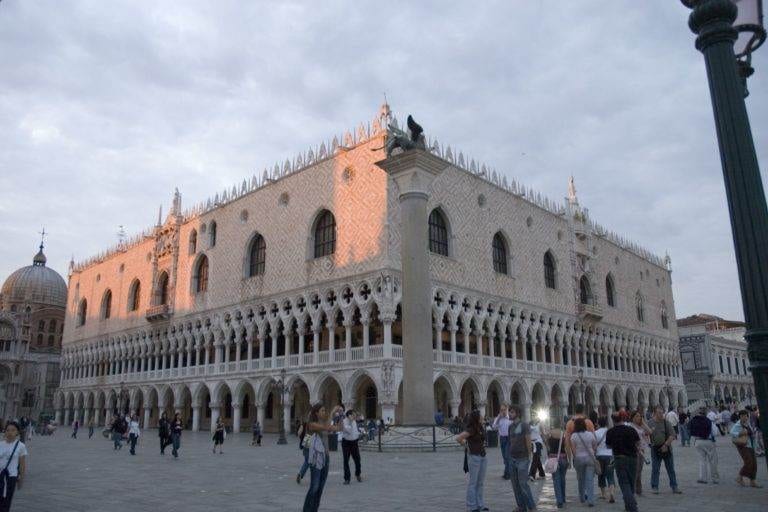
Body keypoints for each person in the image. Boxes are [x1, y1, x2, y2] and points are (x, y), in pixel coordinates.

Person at [302, 403, 341, 512]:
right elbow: (327, 427)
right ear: (316, 413)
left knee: (320, 488)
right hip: (316, 458)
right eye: (323, 411)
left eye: (325, 410)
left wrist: (342, 416)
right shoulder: (311, 424)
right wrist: (333, 413)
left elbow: (339, 428)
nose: (325, 412)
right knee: (314, 486)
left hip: (326, 458)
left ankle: (314, 509)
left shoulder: (323, 423)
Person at [606, 411, 639, 512]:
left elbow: (608, 445)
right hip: (633, 459)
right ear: (622, 419)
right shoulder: (631, 430)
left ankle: (632, 507)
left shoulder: (610, 432)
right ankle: (628, 506)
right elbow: (637, 442)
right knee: (631, 483)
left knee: (624, 484)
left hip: (620, 459)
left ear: (612, 420)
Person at [456, 409, 487, 512]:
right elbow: (459, 438)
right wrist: (466, 446)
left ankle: (480, 505)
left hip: (482, 456)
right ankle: (472, 506)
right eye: (481, 416)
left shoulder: (481, 427)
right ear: (477, 418)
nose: (482, 417)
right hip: (474, 457)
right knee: (473, 482)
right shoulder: (471, 429)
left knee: (480, 482)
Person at [507, 405, 536, 512]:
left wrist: (529, 455)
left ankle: (531, 506)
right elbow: (510, 441)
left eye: (512, 412)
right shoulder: (510, 427)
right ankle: (521, 506)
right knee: (515, 485)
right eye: (509, 412)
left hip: (523, 458)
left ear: (517, 413)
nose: (510, 414)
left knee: (523, 483)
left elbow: (528, 440)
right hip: (512, 458)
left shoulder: (524, 425)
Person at [648, 406, 681, 494]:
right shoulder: (650, 423)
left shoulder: (666, 423)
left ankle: (674, 486)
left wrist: (666, 444)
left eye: (662, 413)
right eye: (659, 413)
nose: (661, 414)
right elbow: (645, 434)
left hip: (666, 448)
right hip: (655, 449)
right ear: (654, 413)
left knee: (670, 468)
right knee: (655, 468)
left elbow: (672, 435)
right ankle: (655, 486)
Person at [0, 421, 27, 512]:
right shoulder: (0, 444)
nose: (10, 432)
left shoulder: (21, 446)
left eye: (13, 430)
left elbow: (22, 465)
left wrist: (21, 479)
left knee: (6, 501)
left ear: (17, 432)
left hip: (11, 477)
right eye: (7, 430)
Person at [570, 417, 597, 507]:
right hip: (590, 458)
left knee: (581, 479)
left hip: (579, 458)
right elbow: (594, 446)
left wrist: (576, 458)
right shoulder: (590, 434)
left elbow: (573, 450)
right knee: (590, 480)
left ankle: (582, 497)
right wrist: (592, 452)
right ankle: (591, 500)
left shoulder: (573, 436)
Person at [731, 410, 762, 488]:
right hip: (743, 446)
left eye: (746, 416)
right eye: (743, 416)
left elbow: (750, 432)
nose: (745, 417)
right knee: (749, 462)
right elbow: (732, 432)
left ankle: (753, 481)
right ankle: (740, 476)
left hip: (751, 445)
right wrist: (741, 433)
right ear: (740, 416)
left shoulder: (747, 423)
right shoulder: (738, 424)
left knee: (754, 464)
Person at [688, 406, 719, 484]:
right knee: (712, 461)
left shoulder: (693, 420)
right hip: (708, 441)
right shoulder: (709, 421)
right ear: (706, 413)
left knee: (702, 460)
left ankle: (703, 478)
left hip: (698, 441)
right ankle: (714, 478)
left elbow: (690, 430)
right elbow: (715, 432)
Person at [545, 416, 569, 509]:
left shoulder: (549, 434)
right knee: (563, 479)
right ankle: (563, 498)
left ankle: (559, 501)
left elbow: (547, 446)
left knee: (556, 480)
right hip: (563, 458)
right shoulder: (564, 433)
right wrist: (569, 460)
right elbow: (567, 448)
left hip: (553, 459)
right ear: (561, 424)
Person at [629, 409, 650, 495]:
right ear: (632, 418)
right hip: (634, 450)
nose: (639, 418)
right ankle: (633, 489)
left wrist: (643, 422)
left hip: (642, 450)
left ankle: (639, 489)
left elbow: (649, 432)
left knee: (639, 470)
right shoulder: (630, 426)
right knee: (635, 470)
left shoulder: (641, 426)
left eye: (640, 416)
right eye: (637, 416)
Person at [594, 416, 615, 503]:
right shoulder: (611, 432)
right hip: (609, 455)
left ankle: (603, 494)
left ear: (598, 423)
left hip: (599, 456)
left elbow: (594, 445)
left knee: (601, 475)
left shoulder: (595, 432)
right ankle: (612, 493)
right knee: (610, 475)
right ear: (606, 423)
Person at [341, 409, 362, 484]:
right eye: (353, 415)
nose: (355, 416)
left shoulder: (354, 421)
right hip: (346, 443)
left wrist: (358, 435)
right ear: (349, 415)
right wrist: (350, 421)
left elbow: (355, 431)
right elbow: (348, 431)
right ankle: (347, 478)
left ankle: (358, 474)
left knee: (357, 459)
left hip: (354, 442)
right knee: (346, 460)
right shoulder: (344, 422)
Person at [492, 405, 512, 479]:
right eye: (501, 410)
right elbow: (494, 427)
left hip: (509, 438)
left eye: (504, 410)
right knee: (504, 456)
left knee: (507, 456)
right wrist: (498, 418)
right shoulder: (498, 418)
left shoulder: (510, 417)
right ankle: (507, 472)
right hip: (502, 438)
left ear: (507, 410)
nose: (503, 411)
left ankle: (508, 474)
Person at [528, 417, 545, 481]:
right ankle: (542, 474)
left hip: (538, 442)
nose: (535, 418)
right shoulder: (529, 425)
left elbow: (543, 434)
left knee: (535, 459)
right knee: (537, 459)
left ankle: (531, 474)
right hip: (532, 443)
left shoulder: (540, 424)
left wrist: (546, 444)